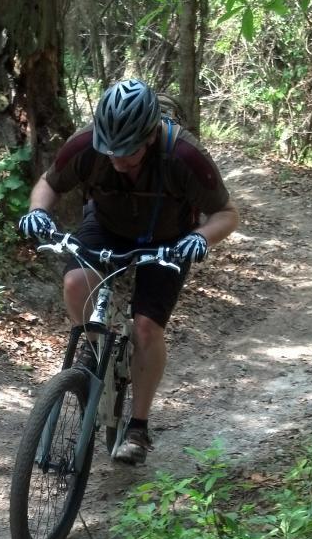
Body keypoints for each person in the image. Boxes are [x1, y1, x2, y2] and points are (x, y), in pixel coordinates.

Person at [18, 79, 239, 464]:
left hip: (168, 239)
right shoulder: (86, 145)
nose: (117, 160)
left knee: (145, 328)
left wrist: (201, 239)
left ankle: (137, 425)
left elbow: (227, 214)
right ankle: (90, 349)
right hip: (105, 225)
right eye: (111, 151)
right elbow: (48, 184)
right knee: (75, 282)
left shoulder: (184, 155)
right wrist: (38, 211)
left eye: (129, 153)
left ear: (151, 136)